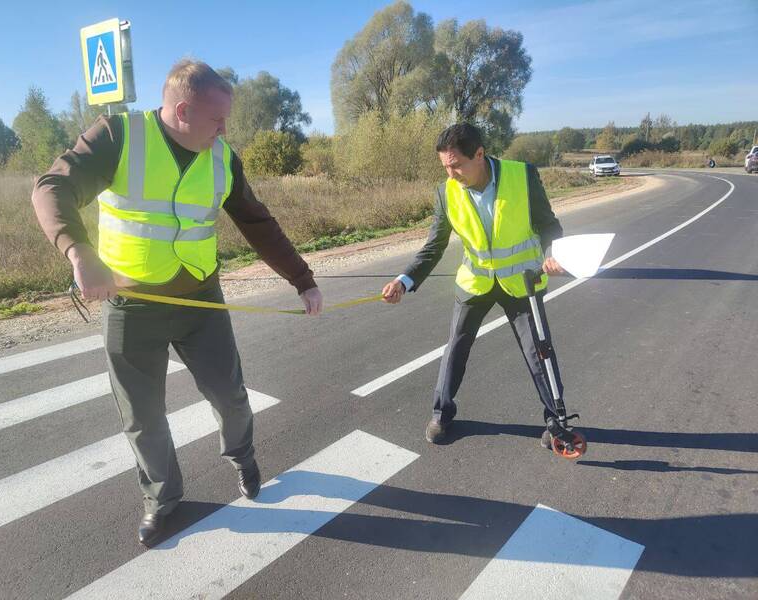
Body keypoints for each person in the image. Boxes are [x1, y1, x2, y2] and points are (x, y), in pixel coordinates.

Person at [32, 59, 323, 546]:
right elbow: (51, 187)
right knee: (142, 416)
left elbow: (257, 222)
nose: (225, 129)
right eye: (217, 119)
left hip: (200, 301)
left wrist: (302, 278)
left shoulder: (222, 157)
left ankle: (242, 456)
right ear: (183, 110)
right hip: (131, 306)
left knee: (230, 396)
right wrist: (80, 253)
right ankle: (162, 499)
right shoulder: (118, 136)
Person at [381, 123, 566, 446]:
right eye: (445, 167)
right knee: (455, 348)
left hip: (521, 281)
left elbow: (549, 225)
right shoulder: (446, 192)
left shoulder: (522, 176)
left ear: (479, 154)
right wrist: (404, 280)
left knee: (539, 350)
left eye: (456, 165)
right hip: (476, 283)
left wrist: (552, 254)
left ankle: (556, 421)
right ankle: (442, 414)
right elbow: (434, 246)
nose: (451, 174)